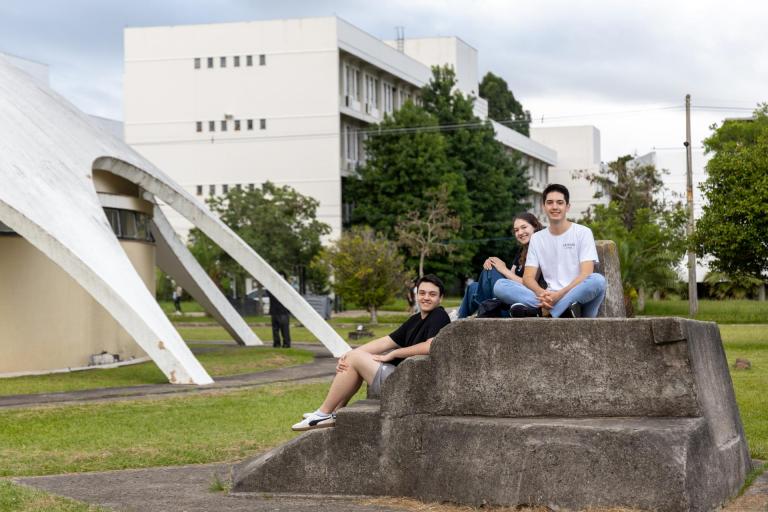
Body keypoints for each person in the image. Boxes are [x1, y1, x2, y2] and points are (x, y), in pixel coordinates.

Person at [291, 274, 450, 431]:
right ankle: (332, 413)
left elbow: (430, 346)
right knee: (353, 359)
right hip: (402, 378)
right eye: (422, 293)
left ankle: (323, 413)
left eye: (432, 294)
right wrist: (347, 356)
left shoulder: (439, 315)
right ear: (416, 295)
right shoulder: (415, 320)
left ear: (440, 298)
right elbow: (385, 341)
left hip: (411, 386)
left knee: (355, 359)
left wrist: (395, 353)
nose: (426, 297)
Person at [493, 184, 606, 318]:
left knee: (598, 280)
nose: (554, 207)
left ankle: (543, 311)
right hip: (547, 297)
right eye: (550, 202)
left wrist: (559, 295)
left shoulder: (583, 232)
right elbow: (528, 278)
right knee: (500, 285)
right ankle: (560, 311)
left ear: (567, 207)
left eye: (560, 203)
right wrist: (542, 294)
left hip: (576, 295)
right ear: (544, 207)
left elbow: (586, 273)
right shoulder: (537, 238)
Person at [457, 213, 544, 318]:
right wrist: (498, 265)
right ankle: (460, 319)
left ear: (535, 226)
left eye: (524, 227)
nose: (520, 232)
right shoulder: (521, 251)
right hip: (509, 292)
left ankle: (481, 309)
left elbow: (529, 284)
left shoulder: (540, 247)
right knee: (473, 287)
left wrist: (502, 269)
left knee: (491, 271)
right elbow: (510, 278)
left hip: (525, 298)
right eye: (516, 230)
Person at [266, 274, 291, 348]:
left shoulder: (285, 288)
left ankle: (285, 343)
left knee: (284, 329)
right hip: (276, 311)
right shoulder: (273, 288)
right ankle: (278, 343)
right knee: (276, 330)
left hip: (283, 311)